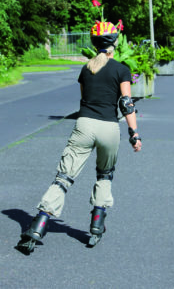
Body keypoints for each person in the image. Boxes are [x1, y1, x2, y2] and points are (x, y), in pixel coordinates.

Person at [17, 20, 142, 253]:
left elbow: (84, 101)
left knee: (63, 178)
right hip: (108, 128)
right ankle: (96, 226)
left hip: (84, 125)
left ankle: (37, 227)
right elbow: (126, 103)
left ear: (94, 43)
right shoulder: (122, 69)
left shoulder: (86, 69)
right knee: (105, 175)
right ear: (115, 42)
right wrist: (134, 134)